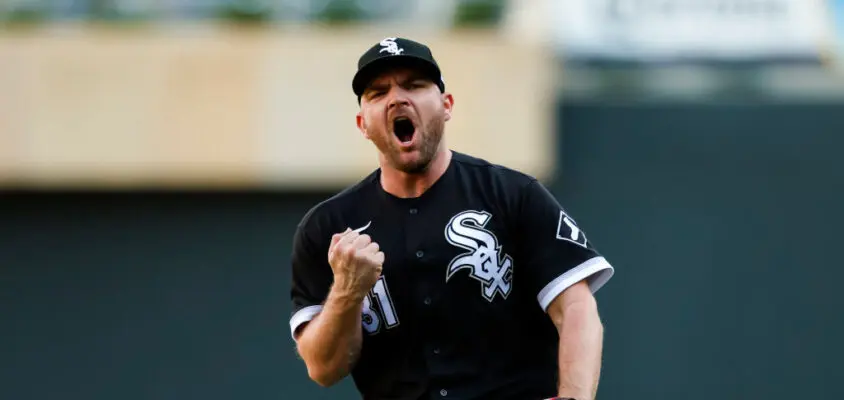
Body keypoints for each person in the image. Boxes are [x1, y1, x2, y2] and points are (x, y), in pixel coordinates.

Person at [289, 37, 615, 400]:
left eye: (414, 85)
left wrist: (574, 396)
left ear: (446, 105)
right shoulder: (329, 227)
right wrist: (348, 291)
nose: (397, 98)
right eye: (378, 92)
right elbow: (323, 368)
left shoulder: (511, 194)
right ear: (362, 123)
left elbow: (576, 306)